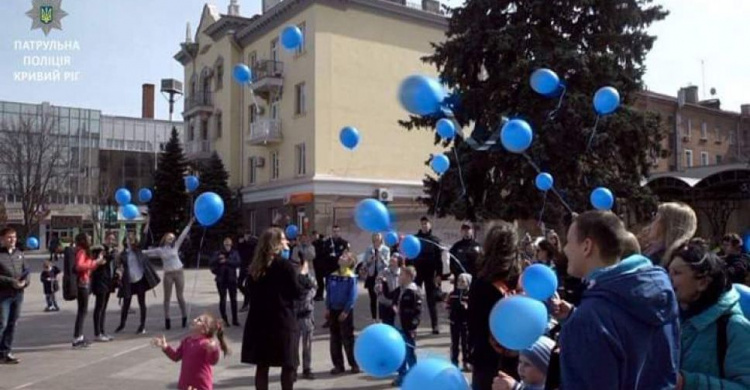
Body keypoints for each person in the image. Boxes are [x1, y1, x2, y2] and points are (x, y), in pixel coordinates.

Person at [551, 211, 680, 389]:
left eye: (569, 242)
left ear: (587, 246)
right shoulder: (659, 297)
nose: (564, 249)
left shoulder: (588, 319)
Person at [667, 241, 750, 389]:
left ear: (703, 282)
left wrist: (688, 383)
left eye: (677, 273)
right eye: (669, 272)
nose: (668, 279)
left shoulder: (734, 327)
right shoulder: (671, 320)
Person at [241, 227, 302, 390]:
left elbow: (248, 292)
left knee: (262, 365)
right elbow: (297, 293)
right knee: (287, 364)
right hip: (282, 322)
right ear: (275, 243)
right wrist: (303, 276)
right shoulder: (285, 266)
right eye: (283, 239)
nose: (287, 242)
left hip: (259, 322)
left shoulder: (255, 267)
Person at [468, 221, 522, 390]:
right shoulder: (522, 281)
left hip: (486, 362)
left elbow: (474, 325)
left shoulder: (481, 283)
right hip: (518, 362)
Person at [152, 313, 230, 390]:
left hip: (201, 385)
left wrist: (213, 350)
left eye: (199, 320)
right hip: (185, 384)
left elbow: (212, 361)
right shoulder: (187, 341)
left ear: (204, 329)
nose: (194, 320)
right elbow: (176, 356)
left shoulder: (206, 343)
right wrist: (165, 347)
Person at [143, 217, 194, 330]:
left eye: (172, 238)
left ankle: (184, 317)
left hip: (179, 272)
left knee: (180, 296)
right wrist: (135, 251)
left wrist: (190, 223)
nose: (171, 239)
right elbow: (147, 252)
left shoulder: (176, 246)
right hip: (168, 274)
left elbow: (183, 234)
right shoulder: (160, 250)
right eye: (169, 237)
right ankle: (167, 319)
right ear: (165, 239)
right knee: (167, 298)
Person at [115, 233, 160, 334]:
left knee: (141, 302)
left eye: (131, 239)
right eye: (127, 240)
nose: (129, 241)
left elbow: (144, 237)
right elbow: (119, 266)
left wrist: (147, 225)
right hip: (128, 281)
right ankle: (122, 324)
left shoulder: (138, 251)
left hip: (140, 279)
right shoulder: (123, 254)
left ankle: (142, 325)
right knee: (126, 303)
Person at [325, 251, 360, 375]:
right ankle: (338, 365)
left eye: (345, 257)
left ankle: (354, 364)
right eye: (341, 255)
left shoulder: (351, 277)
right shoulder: (333, 275)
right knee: (335, 338)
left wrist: (346, 311)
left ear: (350, 262)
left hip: (345, 311)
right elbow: (328, 292)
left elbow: (352, 296)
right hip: (333, 310)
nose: (341, 257)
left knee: (348, 338)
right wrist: (327, 307)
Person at [0, 228, 29, 364]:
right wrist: (11, 282)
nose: (12, 240)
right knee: (2, 324)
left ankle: (6, 352)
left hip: (18, 295)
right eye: (9, 237)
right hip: (3, 295)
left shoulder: (20, 254)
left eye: (14, 237)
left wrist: (25, 282)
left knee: (12, 324)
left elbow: (26, 271)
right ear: (3, 239)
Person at [72, 233, 106, 348]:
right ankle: (77, 338)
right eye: (88, 238)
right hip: (82, 283)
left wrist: (98, 261)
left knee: (82, 311)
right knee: (82, 311)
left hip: (84, 281)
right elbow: (79, 266)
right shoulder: (81, 251)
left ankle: (79, 336)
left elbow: (89, 266)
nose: (90, 239)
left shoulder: (82, 251)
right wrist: (95, 262)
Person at [641, 202, 697, 266]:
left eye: (655, 218)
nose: (651, 223)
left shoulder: (676, 258)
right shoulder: (651, 250)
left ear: (665, 225)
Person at [392, 265, 422, 386]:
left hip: (408, 328)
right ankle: (402, 375)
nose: (399, 277)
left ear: (409, 277)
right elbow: (390, 299)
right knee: (400, 352)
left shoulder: (414, 291)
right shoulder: (401, 289)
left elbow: (418, 312)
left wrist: (413, 327)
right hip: (398, 325)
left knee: (409, 352)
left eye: (401, 275)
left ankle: (415, 376)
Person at [413, 216, 442, 334]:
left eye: (426, 223)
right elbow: (410, 256)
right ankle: (413, 324)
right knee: (415, 299)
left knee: (432, 301)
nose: (424, 225)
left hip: (430, 273)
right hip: (417, 273)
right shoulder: (416, 239)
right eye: (423, 223)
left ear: (430, 225)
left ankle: (435, 325)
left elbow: (439, 259)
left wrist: (439, 274)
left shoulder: (434, 240)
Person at [293, 255, 317, 380]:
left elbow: (313, 291)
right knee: (294, 345)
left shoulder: (310, 278)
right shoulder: (291, 279)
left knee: (307, 345)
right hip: (295, 316)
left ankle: (307, 368)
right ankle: (294, 369)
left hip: (307, 316)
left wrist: (305, 278)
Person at [91, 232, 118, 342]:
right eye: (109, 239)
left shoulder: (113, 251)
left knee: (103, 308)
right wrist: (110, 254)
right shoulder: (100, 249)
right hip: (100, 282)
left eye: (113, 239)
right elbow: (99, 261)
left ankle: (102, 332)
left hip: (108, 282)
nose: (111, 241)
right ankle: (97, 333)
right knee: (99, 308)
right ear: (105, 239)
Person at [210, 237, 241, 327]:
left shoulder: (234, 253)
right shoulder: (218, 253)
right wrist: (218, 261)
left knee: (233, 300)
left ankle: (235, 319)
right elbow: (211, 264)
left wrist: (226, 261)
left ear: (231, 245)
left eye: (229, 244)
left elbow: (238, 263)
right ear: (223, 245)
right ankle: (224, 320)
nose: (227, 246)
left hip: (232, 279)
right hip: (221, 280)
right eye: (226, 244)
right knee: (222, 299)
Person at [359, 233, 390, 321]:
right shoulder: (369, 249)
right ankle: (373, 318)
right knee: (372, 299)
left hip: (381, 276)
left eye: (378, 239)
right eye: (375, 239)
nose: (376, 241)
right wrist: (369, 260)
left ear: (381, 239)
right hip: (371, 276)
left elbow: (387, 264)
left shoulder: (386, 249)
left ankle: (381, 318)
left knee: (381, 298)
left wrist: (381, 257)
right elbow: (364, 263)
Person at [448, 273, 472, 371]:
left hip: (465, 323)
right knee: (455, 344)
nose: (460, 283)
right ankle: (454, 362)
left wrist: (467, 307)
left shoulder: (470, 294)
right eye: (459, 281)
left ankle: (466, 362)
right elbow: (448, 305)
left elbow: (473, 309)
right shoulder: (453, 294)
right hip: (454, 322)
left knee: (465, 344)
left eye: (463, 281)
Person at [375, 253, 403, 326]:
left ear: (399, 261)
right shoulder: (383, 272)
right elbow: (376, 286)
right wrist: (378, 287)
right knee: (386, 325)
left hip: (396, 303)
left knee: (397, 324)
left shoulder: (402, 273)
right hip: (384, 303)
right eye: (392, 256)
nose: (392, 258)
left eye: (395, 257)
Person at [237, 233, 257, 312]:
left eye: (248, 236)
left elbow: (256, 251)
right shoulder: (242, 244)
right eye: (245, 236)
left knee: (248, 285)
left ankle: (245, 304)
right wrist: (240, 243)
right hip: (243, 266)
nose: (246, 237)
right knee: (239, 284)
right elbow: (239, 250)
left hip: (250, 267)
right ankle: (248, 296)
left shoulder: (253, 243)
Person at [312, 231, 328, 301]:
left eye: (315, 235)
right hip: (316, 264)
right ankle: (319, 294)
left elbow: (322, 252)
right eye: (313, 236)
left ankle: (321, 294)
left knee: (321, 280)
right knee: (319, 280)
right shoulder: (313, 243)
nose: (314, 237)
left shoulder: (322, 243)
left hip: (322, 264)